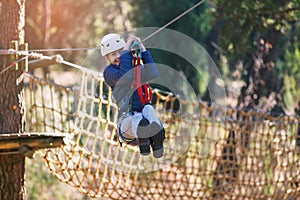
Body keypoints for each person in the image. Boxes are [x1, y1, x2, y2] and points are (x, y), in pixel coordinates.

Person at [100, 33, 165, 158]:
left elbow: (153, 73)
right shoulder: (109, 73)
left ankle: (157, 139)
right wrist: (126, 52)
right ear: (107, 59)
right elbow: (125, 75)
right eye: (113, 54)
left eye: (120, 52)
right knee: (137, 119)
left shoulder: (136, 68)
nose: (118, 56)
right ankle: (143, 135)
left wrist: (143, 49)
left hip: (145, 114)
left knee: (149, 109)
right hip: (127, 121)